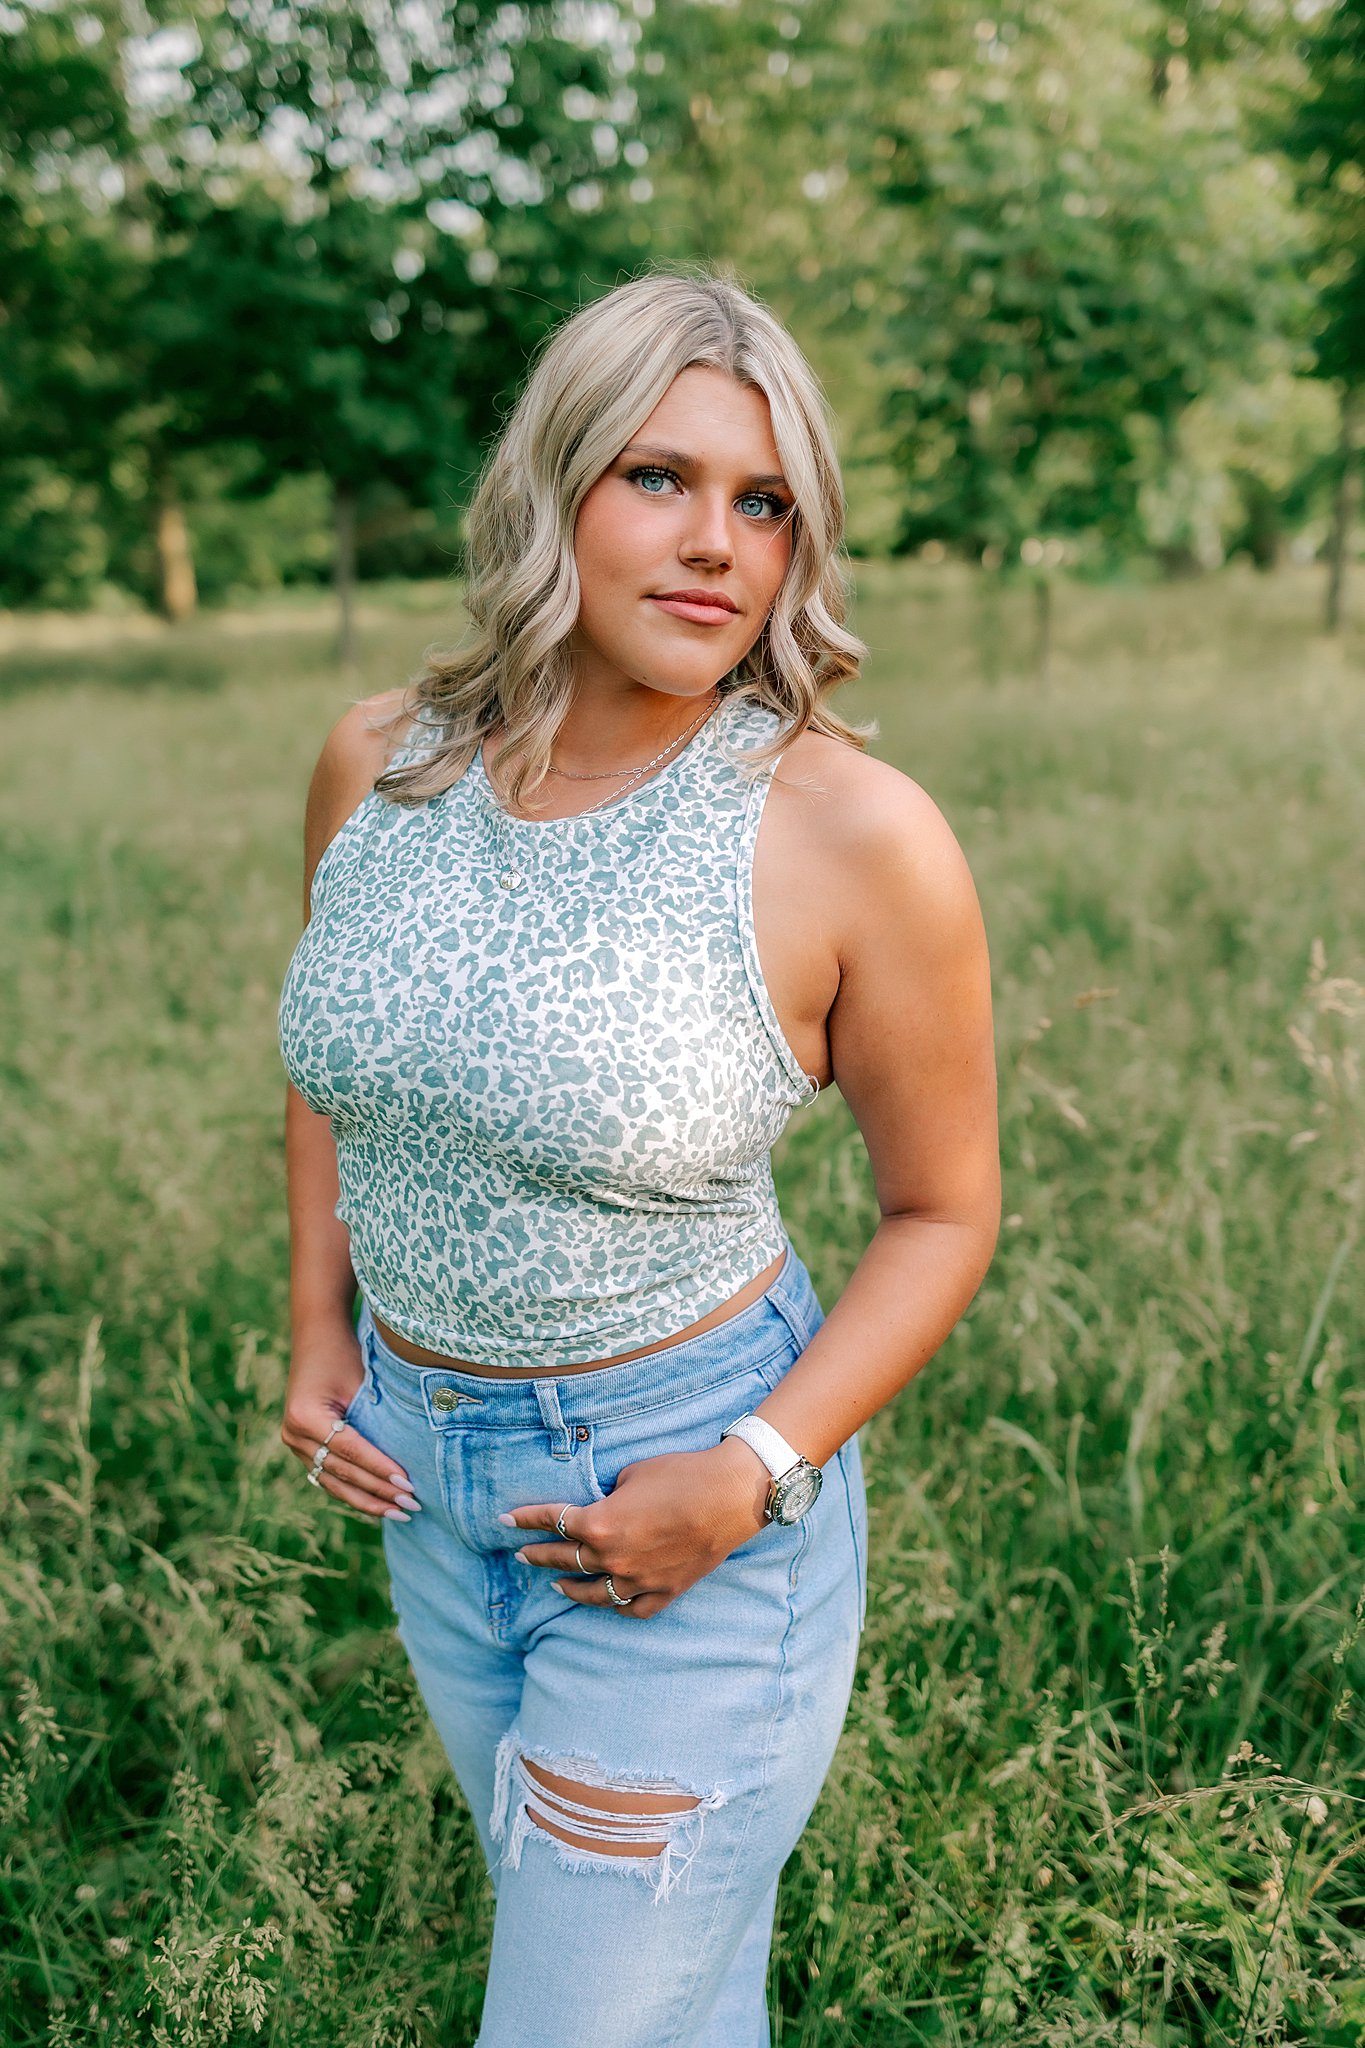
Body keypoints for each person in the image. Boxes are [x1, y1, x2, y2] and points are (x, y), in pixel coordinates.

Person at [276, 269, 999, 2048]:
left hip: (687, 1504)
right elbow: (337, 1054)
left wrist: (748, 1473)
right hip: (433, 1498)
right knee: (657, 2013)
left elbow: (944, 1211)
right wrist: (318, 1339)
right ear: (554, 490)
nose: (716, 547)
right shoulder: (381, 763)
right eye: (659, 479)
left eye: (764, 504)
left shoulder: (845, 832)